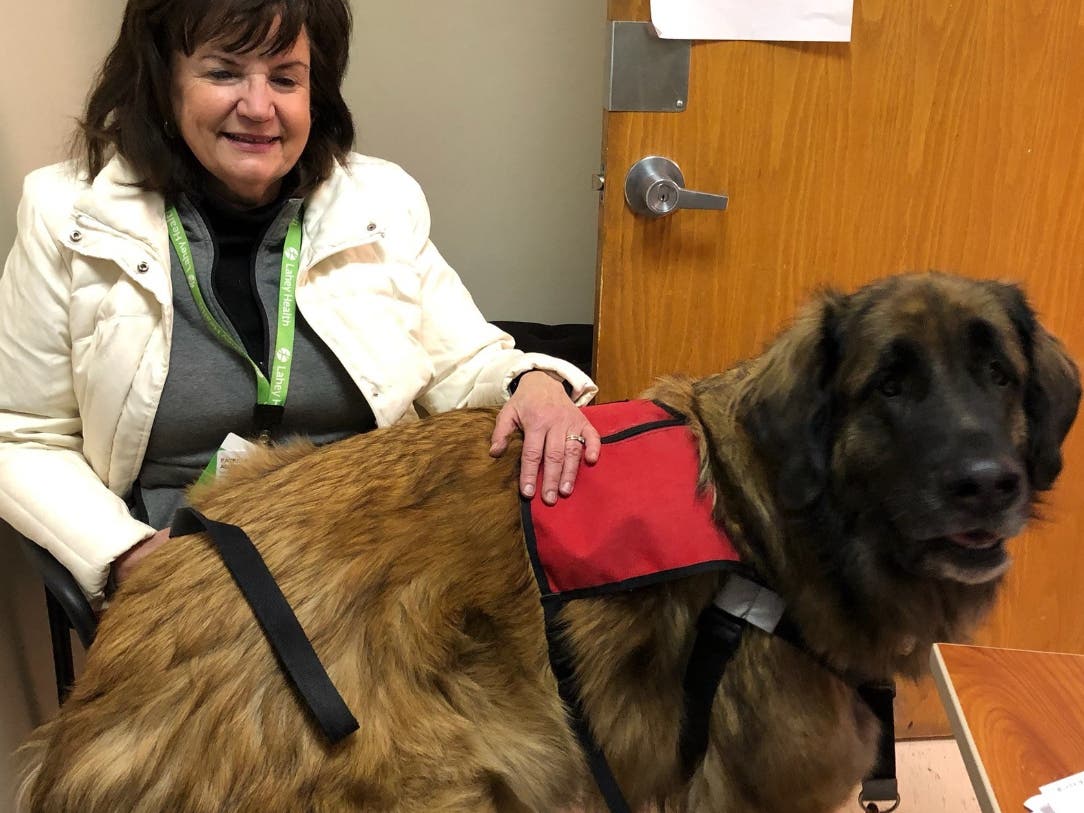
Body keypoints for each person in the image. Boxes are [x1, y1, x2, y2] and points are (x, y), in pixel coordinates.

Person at [0, 0, 600, 602]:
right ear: (163, 82)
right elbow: (22, 434)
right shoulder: (67, 215)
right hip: (196, 574)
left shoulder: (379, 200)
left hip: (385, 551)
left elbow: (464, 363)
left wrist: (537, 384)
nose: (259, 107)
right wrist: (125, 553)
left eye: (285, 78)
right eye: (224, 72)